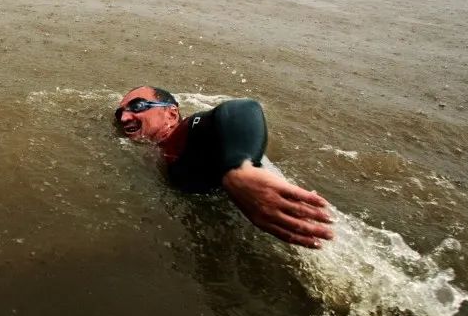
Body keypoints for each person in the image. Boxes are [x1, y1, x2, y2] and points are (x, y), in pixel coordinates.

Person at [115, 86, 334, 249]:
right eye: (120, 113)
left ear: (171, 114)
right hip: (269, 224)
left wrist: (240, 169)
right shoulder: (159, 153)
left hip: (286, 219)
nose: (125, 117)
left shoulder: (183, 133)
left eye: (137, 106)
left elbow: (243, 108)